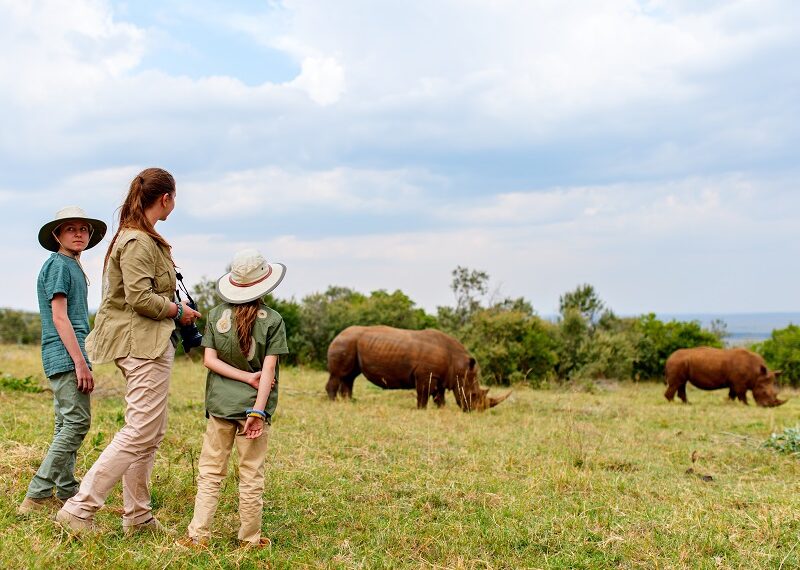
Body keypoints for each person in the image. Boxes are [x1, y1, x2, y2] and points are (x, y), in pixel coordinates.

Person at [56, 168, 201, 534]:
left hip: (148, 342)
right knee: (139, 431)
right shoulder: (137, 240)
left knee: (150, 432)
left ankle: (138, 516)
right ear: (165, 198)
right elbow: (139, 298)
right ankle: (79, 510)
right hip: (141, 345)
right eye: (174, 197)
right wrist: (178, 311)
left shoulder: (141, 236)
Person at [177, 248, 288, 549]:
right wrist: (258, 412)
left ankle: (198, 534)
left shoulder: (216, 315)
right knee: (252, 474)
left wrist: (242, 377)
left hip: (220, 406)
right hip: (253, 408)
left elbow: (209, 361)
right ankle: (249, 538)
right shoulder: (273, 320)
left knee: (211, 472)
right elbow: (268, 372)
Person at [18, 207, 107, 515]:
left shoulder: (71, 265)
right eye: (71, 229)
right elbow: (59, 317)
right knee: (77, 422)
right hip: (67, 356)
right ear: (57, 235)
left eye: (83, 229)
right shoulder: (59, 265)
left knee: (65, 423)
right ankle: (38, 493)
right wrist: (80, 362)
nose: (78, 233)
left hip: (67, 354)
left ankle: (67, 488)